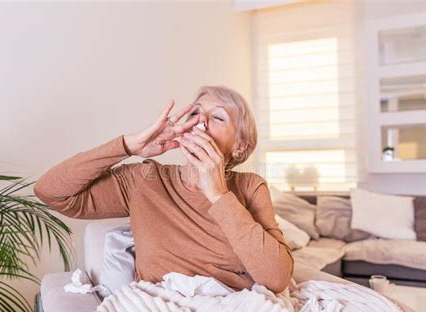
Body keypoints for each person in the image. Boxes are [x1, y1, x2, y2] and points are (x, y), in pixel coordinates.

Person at [34, 86, 294, 293]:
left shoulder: (250, 186)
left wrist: (218, 194)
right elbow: (51, 192)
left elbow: (276, 277)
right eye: (194, 113)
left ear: (239, 146)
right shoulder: (146, 179)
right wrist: (128, 146)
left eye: (217, 117)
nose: (200, 121)